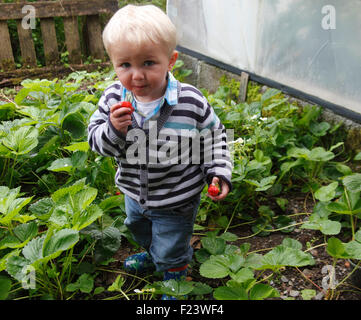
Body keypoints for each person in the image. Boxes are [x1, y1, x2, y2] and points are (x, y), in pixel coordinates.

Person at [87, 4, 233, 299]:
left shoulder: (190, 101)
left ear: (171, 61)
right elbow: (95, 141)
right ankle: (154, 255)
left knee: (172, 244)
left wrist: (218, 172)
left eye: (149, 63)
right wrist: (113, 131)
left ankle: (174, 277)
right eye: (125, 65)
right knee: (138, 229)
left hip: (176, 198)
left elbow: (214, 138)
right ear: (113, 64)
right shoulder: (113, 99)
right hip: (133, 193)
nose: (137, 75)